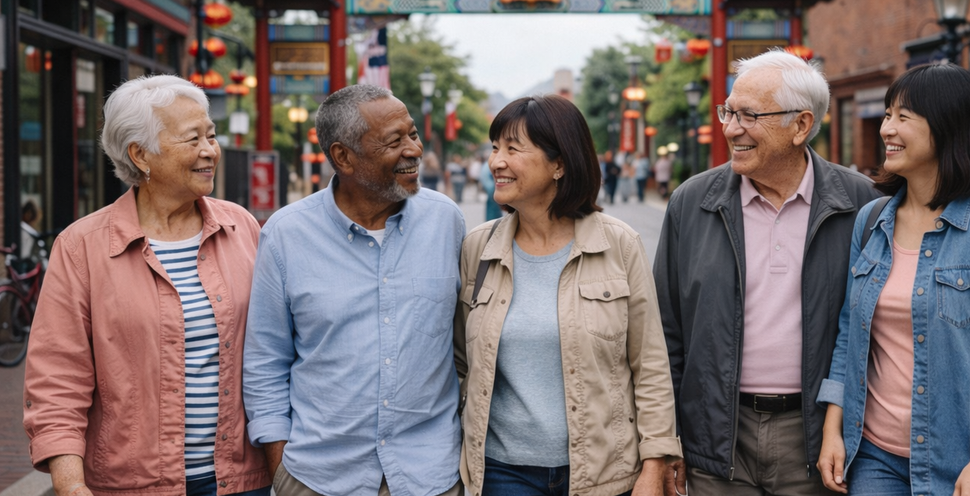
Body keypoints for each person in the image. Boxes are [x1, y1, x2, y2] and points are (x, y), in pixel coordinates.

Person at [24, 75, 270, 496]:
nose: (210, 150)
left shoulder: (241, 227)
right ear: (141, 155)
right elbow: (57, 379)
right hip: (132, 485)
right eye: (192, 139)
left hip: (240, 482)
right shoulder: (83, 246)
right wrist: (70, 484)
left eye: (211, 135)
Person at [654, 50, 878, 496]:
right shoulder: (692, 202)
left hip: (816, 435)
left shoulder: (863, 205)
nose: (731, 128)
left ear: (800, 125)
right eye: (728, 111)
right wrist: (667, 439)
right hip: (718, 434)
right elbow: (665, 333)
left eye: (749, 115)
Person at [816, 64, 970, 496]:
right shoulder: (871, 222)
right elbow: (850, 335)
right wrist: (832, 430)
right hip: (875, 457)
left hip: (960, 461)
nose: (886, 129)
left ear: (948, 127)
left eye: (903, 117)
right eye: (887, 114)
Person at [243, 84, 465, 496]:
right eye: (394, 141)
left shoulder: (446, 222)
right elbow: (265, 363)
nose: (414, 149)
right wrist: (282, 469)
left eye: (413, 134)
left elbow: (467, 345)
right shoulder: (286, 234)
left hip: (430, 476)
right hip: (318, 477)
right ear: (343, 156)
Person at [455, 95, 680, 496]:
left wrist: (655, 463)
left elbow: (649, 363)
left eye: (513, 148)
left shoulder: (618, 244)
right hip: (504, 472)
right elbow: (459, 363)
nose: (495, 162)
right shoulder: (479, 248)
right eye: (494, 148)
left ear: (559, 164)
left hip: (603, 473)